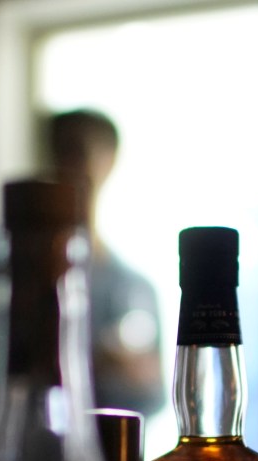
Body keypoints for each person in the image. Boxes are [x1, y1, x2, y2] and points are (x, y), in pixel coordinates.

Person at [46, 108, 165, 419]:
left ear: (109, 161)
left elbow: (154, 394)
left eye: (83, 154)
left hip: (117, 459)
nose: (76, 167)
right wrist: (101, 361)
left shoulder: (133, 287)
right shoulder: (19, 283)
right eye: (67, 153)